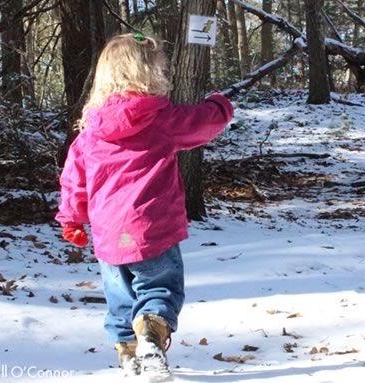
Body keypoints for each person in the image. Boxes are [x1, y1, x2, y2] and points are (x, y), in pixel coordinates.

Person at [55, 32, 234, 380]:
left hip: (108, 236)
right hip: (152, 229)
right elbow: (204, 123)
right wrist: (219, 104)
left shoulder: (91, 131)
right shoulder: (160, 119)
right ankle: (151, 337)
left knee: (120, 297)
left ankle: (127, 356)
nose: (165, 76)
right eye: (162, 70)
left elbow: (74, 178)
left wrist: (72, 218)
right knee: (159, 288)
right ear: (147, 75)